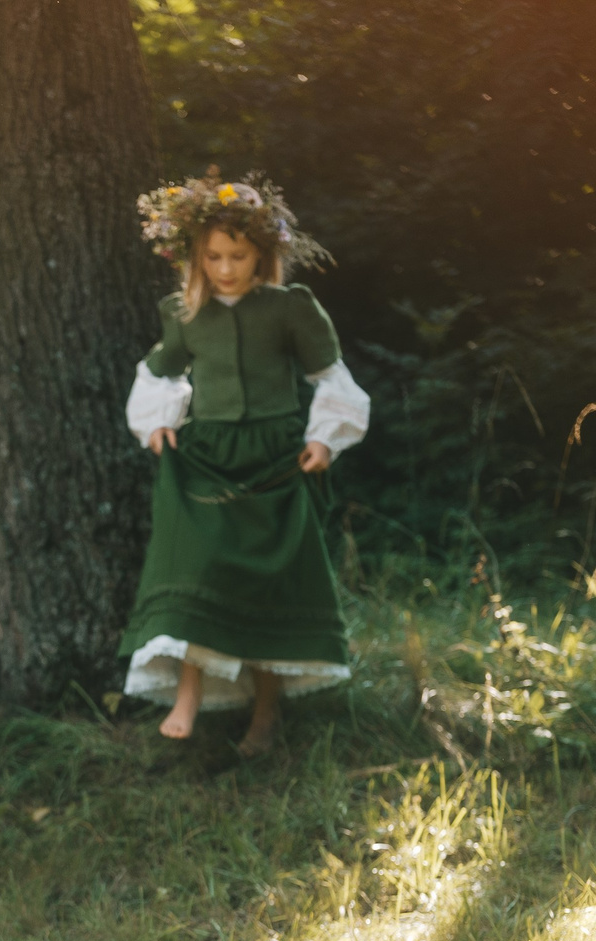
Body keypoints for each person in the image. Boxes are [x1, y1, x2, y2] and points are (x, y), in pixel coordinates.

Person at [117, 171, 371, 755]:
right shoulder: (184, 313)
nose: (226, 268)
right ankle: (188, 691)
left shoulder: (289, 310)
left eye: (238, 255)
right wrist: (156, 426)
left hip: (277, 459)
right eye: (214, 256)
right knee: (197, 566)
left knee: (268, 581)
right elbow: (158, 372)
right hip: (205, 457)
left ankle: (265, 711)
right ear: (196, 257)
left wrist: (325, 439)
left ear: (262, 254)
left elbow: (332, 377)